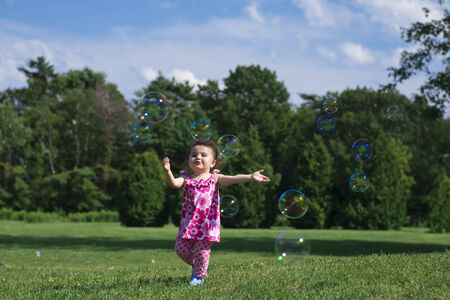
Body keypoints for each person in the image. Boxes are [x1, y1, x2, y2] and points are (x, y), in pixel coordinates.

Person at [162, 140, 270, 286]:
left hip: (207, 225)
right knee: (180, 249)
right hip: (188, 224)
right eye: (194, 155)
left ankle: (199, 277)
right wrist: (168, 171)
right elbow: (174, 183)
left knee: (202, 251)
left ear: (213, 163)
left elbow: (233, 179)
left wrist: (250, 176)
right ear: (189, 160)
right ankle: (198, 265)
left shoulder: (215, 178)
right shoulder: (186, 179)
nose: (198, 157)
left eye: (203, 155)